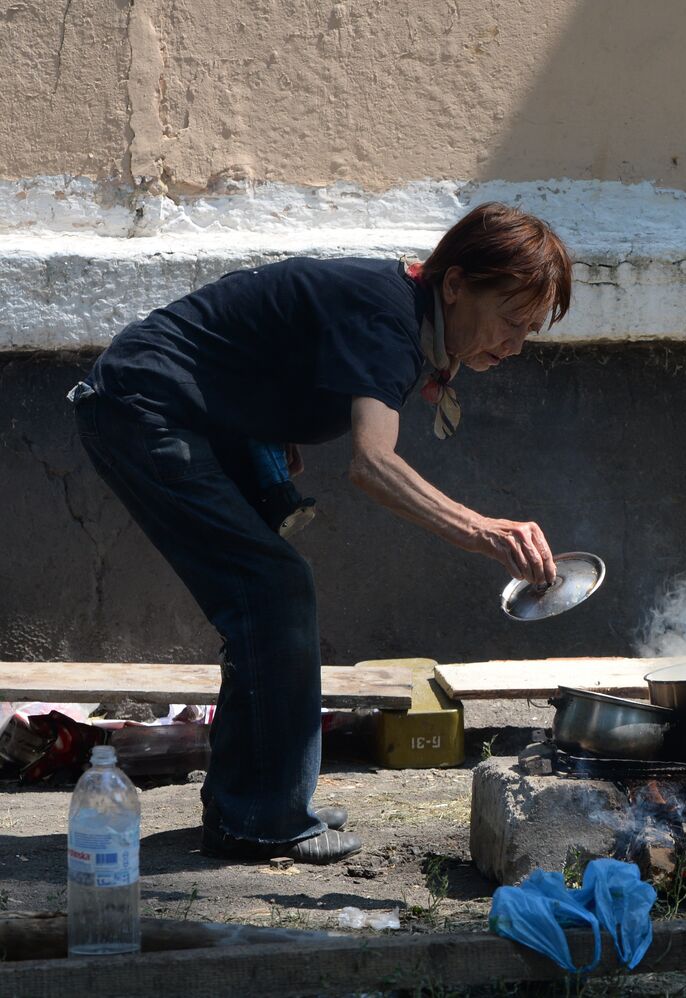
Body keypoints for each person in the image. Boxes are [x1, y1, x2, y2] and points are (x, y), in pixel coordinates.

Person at [69, 203, 572, 863]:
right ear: (456, 284)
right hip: (144, 407)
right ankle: (261, 817)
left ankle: (257, 805)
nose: (514, 346)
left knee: (267, 596)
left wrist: (269, 423)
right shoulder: (390, 318)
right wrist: (482, 529)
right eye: (510, 321)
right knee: (272, 591)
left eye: (529, 331)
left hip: (175, 410)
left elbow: (268, 339)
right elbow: (373, 464)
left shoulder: (403, 315)